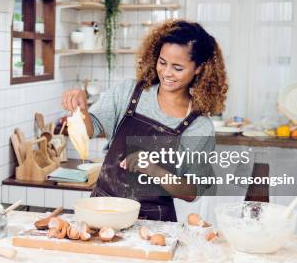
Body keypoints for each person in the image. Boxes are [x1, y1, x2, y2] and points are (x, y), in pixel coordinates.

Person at [61, 19, 228, 222]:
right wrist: (81, 109)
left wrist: (152, 168)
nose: (166, 73)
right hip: (103, 211)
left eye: (178, 68)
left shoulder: (198, 125)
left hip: (153, 223)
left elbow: (191, 191)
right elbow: (89, 131)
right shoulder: (129, 92)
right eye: (162, 62)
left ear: (199, 68)